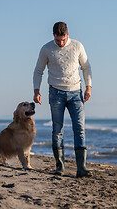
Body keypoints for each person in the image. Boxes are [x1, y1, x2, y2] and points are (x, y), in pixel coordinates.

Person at [33, 21, 92, 177]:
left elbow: (86, 67)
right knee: (57, 130)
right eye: (58, 40)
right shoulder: (46, 49)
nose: (61, 43)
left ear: (67, 35)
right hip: (56, 93)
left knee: (79, 129)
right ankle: (60, 167)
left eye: (63, 39)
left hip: (76, 93)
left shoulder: (77, 46)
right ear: (54, 36)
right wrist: (36, 91)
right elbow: (38, 71)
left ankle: (82, 168)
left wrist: (88, 87)